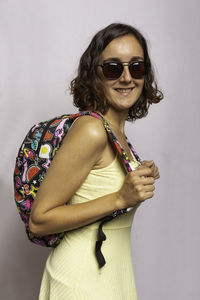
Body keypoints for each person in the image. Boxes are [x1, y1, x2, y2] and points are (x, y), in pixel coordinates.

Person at [29, 23, 163, 300]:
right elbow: (39, 221)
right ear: (95, 75)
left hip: (110, 273)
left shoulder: (116, 134)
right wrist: (120, 198)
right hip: (82, 280)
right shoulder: (91, 129)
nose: (127, 78)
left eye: (136, 67)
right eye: (113, 68)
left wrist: (140, 173)